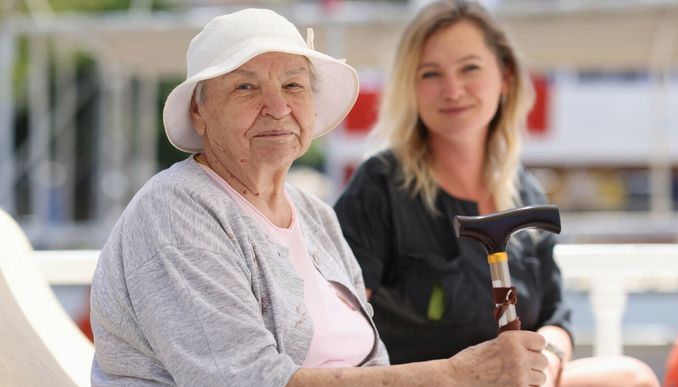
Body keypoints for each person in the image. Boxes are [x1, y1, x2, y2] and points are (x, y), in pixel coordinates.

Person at [90, 8, 550, 387]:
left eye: (293, 85)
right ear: (200, 111)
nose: (277, 106)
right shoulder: (177, 210)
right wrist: (455, 375)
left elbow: (374, 362)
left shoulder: (315, 215)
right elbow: (245, 381)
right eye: (246, 86)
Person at [334, 1, 660, 386]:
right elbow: (339, 326)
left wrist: (549, 362)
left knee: (630, 377)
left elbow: (556, 317)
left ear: (505, 77)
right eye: (431, 74)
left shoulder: (525, 190)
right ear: (411, 88)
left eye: (470, 68)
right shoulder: (380, 186)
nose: (452, 89)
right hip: (430, 382)